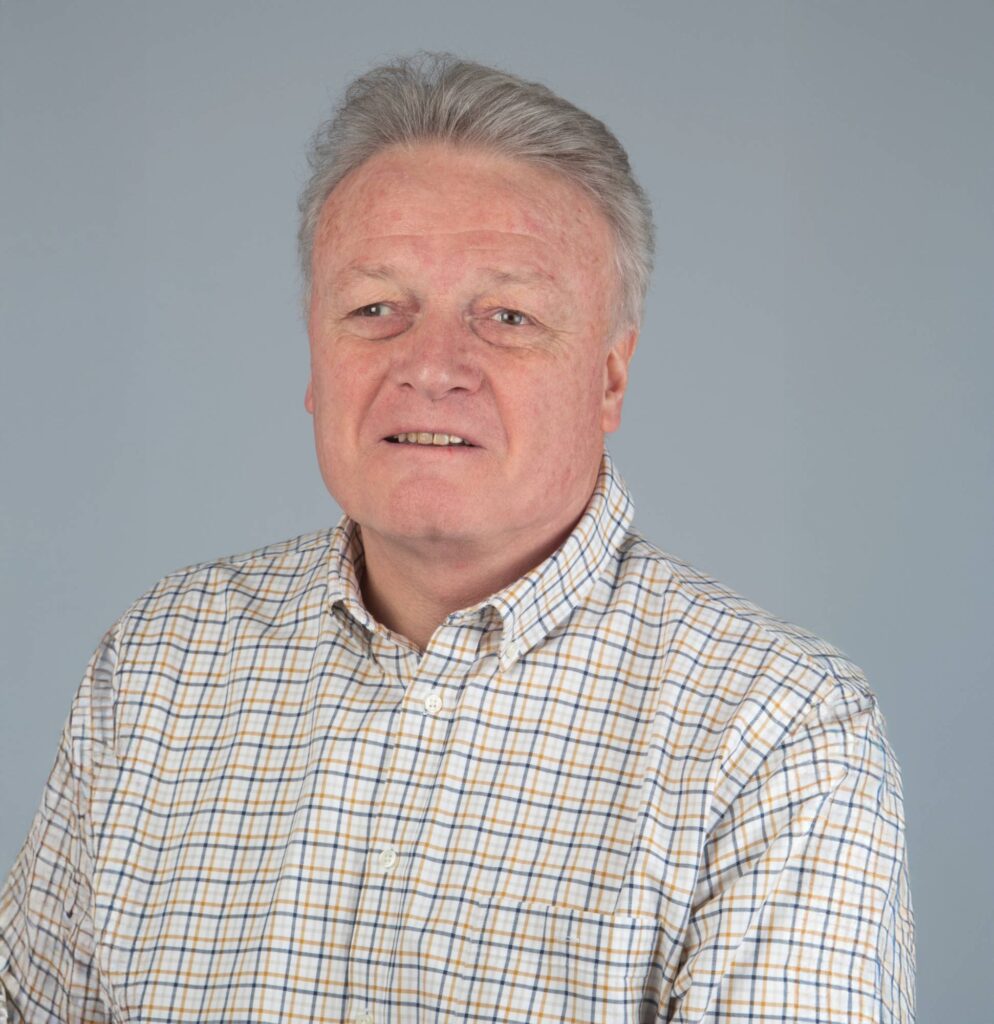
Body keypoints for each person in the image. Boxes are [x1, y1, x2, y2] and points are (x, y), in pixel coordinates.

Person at [0, 52, 915, 1023]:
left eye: (508, 316)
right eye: (375, 309)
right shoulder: (161, 661)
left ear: (609, 377)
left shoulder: (776, 732)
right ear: (314, 353)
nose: (431, 366)